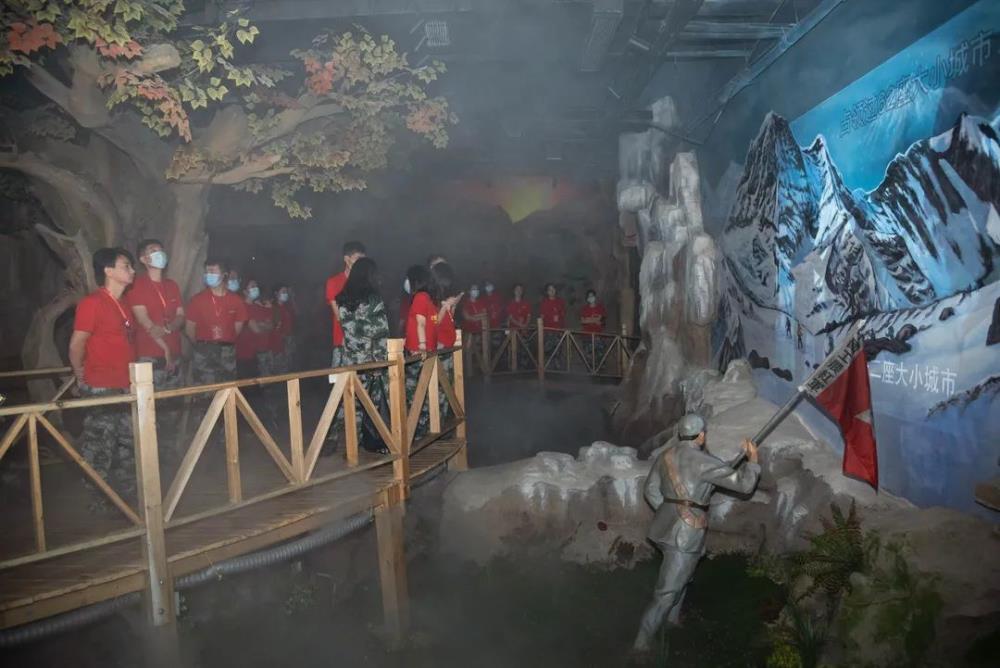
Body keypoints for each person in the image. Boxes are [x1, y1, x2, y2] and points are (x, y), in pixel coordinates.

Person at [632, 415, 761, 657]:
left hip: (665, 528)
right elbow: (744, 485)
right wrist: (753, 461)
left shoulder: (666, 455)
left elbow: (650, 489)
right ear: (701, 435)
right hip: (686, 533)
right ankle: (641, 643)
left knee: (682, 574)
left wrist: (670, 511)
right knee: (667, 592)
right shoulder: (703, 461)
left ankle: (673, 620)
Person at [68, 248, 137, 508]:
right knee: (100, 446)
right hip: (101, 386)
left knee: (128, 444)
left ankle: (127, 497)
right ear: (108, 271)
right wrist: (79, 373)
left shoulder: (124, 304)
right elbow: (77, 344)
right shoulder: (92, 303)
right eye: (126, 265)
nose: (132, 270)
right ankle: (96, 500)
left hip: (125, 385)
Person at [338, 258, 391, 453]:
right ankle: (375, 443)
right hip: (371, 360)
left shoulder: (343, 298)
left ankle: (352, 447)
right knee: (373, 404)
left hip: (351, 359)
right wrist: (381, 362)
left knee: (352, 405)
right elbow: (381, 331)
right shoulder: (373, 298)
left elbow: (348, 331)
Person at [125, 239, 184, 389]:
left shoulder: (172, 285)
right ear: (143, 259)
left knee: (175, 400)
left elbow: (181, 316)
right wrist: (165, 349)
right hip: (149, 355)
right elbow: (145, 321)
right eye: (153, 251)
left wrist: (168, 328)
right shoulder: (137, 285)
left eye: (161, 250)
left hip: (175, 353)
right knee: (149, 400)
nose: (159, 254)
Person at [185, 258, 248, 384]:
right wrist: (202, 346)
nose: (208, 275)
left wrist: (224, 340)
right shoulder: (197, 300)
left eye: (212, 271)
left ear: (224, 275)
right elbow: (189, 329)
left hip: (227, 351)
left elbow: (237, 329)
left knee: (227, 388)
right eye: (207, 272)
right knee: (205, 389)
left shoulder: (236, 300)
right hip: (204, 350)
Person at [403, 265, 438, 437]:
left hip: (418, 352)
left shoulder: (420, 297)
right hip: (426, 350)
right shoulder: (428, 298)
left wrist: (421, 347)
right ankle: (422, 427)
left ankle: (415, 430)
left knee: (413, 391)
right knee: (422, 390)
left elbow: (421, 323)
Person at [326, 241, 366, 369]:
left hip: (365, 343)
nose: (361, 263)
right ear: (346, 259)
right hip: (343, 342)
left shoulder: (366, 283)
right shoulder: (334, 282)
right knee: (340, 379)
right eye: (357, 259)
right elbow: (339, 315)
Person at [431, 262, 463, 417]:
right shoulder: (431, 299)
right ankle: (435, 422)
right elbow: (433, 321)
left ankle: (443, 420)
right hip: (439, 346)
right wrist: (445, 307)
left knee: (447, 389)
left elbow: (448, 319)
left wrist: (453, 306)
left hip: (447, 346)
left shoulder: (443, 297)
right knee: (438, 389)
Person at [235, 279, 271, 379]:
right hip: (243, 354)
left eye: (256, 286)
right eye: (252, 286)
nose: (256, 288)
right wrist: (262, 325)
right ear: (245, 291)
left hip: (257, 354)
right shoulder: (242, 306)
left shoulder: (258, 306)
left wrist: (260, 325)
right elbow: (256, 329)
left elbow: (271, 325)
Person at [539, 283, 566, 369]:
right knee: (548, 349)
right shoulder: (544, 302)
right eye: (550, 289)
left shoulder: (560, 301)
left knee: (558, 349)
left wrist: (562, 329)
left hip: (558, 330)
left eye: (553, 289)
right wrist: (541, 329)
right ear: (547, 292)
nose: (552, 291)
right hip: (548, 330)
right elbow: (542, 317)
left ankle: (557, 367)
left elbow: (562, 316)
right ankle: (547, 367)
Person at [580, 289, 608, 369]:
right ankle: (591, 370)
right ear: (587, 298)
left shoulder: (600, 308)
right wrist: (595, 320)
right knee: (589, 358)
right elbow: (583, 321)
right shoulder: (584, 309)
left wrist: (589, 319)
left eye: (592, 296)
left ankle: (600, 370)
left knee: (600, 357)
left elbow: (603, 320)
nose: (591, 298)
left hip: (598, 335)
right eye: (589, 296)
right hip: (587, 336)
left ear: (595, 297)